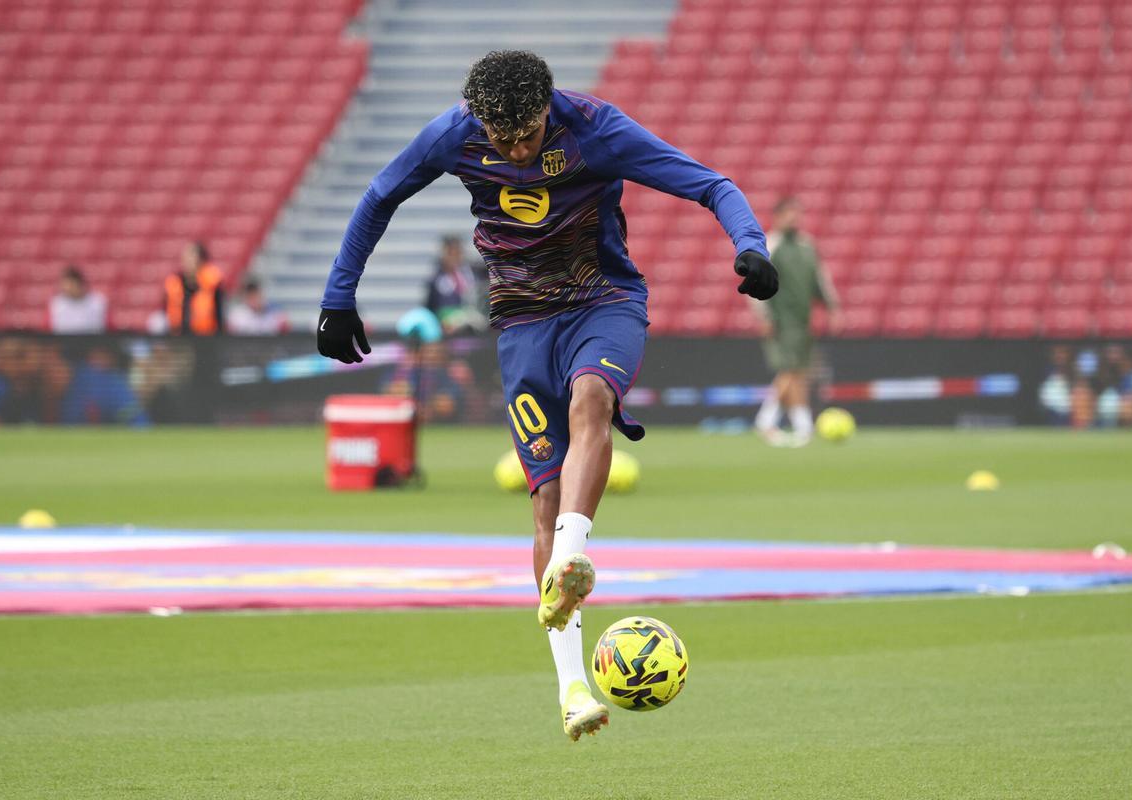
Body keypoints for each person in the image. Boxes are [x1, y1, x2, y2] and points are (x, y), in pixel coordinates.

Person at [315, 50, 777, 740]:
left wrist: (751, 245)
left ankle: (573, 553)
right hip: (521, 323)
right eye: (500, 141)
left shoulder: (595, 129)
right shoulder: (455, 133)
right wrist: (338, 296)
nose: (514, 151)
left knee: (592, 399)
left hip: (604, 302)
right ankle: (570, 689)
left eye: (525, 137)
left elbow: (712, 184)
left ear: (545, 110)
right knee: (542, 499)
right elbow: (381, 194)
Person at [752, 196, 841, 447]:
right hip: (782, 319)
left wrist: (832, 307)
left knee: (799, 371)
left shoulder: (806, 245)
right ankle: (768, 421)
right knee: (790, 370)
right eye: (790, 214)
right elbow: (756, 282)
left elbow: (818, 278)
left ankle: (801, 426)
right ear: (777, 216)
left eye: (797, 214)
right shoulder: (770, 245)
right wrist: (765, 316)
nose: (795, 219)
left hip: (803, 320)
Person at [423, 234, 487, 333]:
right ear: (443, 254)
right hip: (449, 333)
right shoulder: (435, 281)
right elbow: (430, 309)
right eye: (450, 253)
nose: (454, 257)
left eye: (457, 253)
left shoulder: (477, 274)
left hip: (477, 330)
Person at [164, 241, 225, 335]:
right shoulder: (175, 283)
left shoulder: (212, 283)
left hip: (206, 337)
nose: (186, 261)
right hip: (180, 336)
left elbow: (219, 313)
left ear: (201, 260)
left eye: (191, 257)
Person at [49, 265, 108, 333]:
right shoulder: (57, 303)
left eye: (71, 285)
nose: (67, 288)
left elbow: (103, 327)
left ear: (79, 283)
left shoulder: (98, 301)